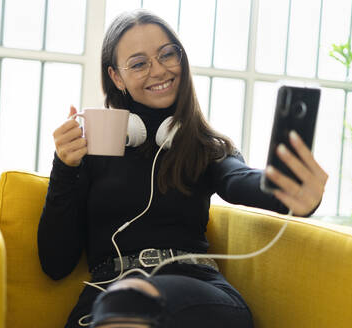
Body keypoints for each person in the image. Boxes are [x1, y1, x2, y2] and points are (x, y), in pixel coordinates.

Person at [38, 9, 328, 328]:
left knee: (129, 301)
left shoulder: (205, 147)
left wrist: (289, 188)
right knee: (122, 303)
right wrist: (65, 167)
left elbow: (239, 181)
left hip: (200, 296)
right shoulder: (91, 151)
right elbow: (56, 263)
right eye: (139, 63)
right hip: (108, 297)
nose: (159, 70)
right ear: (116, 77)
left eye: (167, 55)